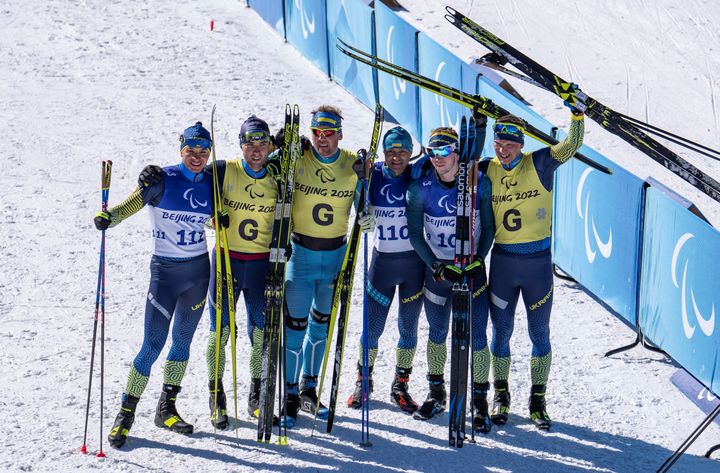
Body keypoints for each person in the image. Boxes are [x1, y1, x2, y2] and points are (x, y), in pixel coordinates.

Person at [137, 116, 281, 430]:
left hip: (260, 268)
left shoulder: (277, 177)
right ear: (240, 145)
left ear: (270, 146)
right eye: (249, 144)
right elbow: (189, 184)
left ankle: (256, 398)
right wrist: (152, 174)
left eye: (262, 144)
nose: (255, 151)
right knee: (221, 334)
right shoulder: (221, 170)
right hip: (227, 264)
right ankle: (216, 398)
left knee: (260, 335)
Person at [97, 122, 214, 448]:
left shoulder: (212, 185)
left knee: (181, 343)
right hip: (165, 274)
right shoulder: (162, 179)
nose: (197, 157)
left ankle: (167, 408)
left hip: (198, 274)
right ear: (181, 150)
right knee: (152, 344)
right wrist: (110, 218)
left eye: (203, 151)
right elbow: (131, 204)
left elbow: (214, 218)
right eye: (191, 150)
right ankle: (126, 413)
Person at [480, 109, 585, 430]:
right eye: (498, 142)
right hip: (502, 264)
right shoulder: (486, 169)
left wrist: (578, 116)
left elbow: (571, 146)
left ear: (520, 144)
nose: (502, 149)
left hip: (537, 265)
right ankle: (501, 395)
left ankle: (538, 401)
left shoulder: (539, 163)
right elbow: (451, 166)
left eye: (509, 144)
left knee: (539, 334)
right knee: (501, 332)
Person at [279, 105, 372, 428]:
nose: (322, 139)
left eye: (329, 133)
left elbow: (365, 201)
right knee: (295, 328)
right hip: (301, 256)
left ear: (340, 134)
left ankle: (308, 388)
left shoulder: (351, 164)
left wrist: (366, 208)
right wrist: (283, 144)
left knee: (321, 327)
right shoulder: (299, 159)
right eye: (317, 132)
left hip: (335, 257)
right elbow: (272, 169)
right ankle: (289, 394)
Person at [405, 121, 496, 432]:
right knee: (437, 332)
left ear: (457, 152)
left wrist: (479, 259)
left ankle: (480, 401)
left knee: (478, 336)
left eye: (445, 150)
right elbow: (415, 233)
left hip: (471, 271)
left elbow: (491, 227)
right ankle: (436, 392)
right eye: (433, 151)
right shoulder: (421, 188)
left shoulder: (478, 183)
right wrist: (435, 265)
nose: (438, 157)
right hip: (440, 273)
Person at [346, 127, 425, 414]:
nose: (396, 157)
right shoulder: (373, 175)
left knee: (408, 329)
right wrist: (362, 213)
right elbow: (359, 203)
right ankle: (363, 380)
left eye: (402, 151)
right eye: (391, 151)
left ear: (410, 153)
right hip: (382, 264)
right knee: (372, 328)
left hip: (413, 267)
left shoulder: (418, 175)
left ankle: (400, 385)